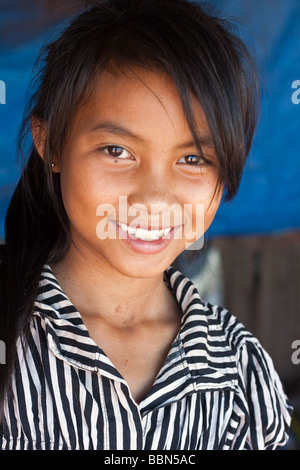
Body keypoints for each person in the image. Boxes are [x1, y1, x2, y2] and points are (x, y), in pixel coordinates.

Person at [0, 0, 292, 450]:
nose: (154, 198)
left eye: (193, 159)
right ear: (50, 143)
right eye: (117, 151)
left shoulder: (241, 371)